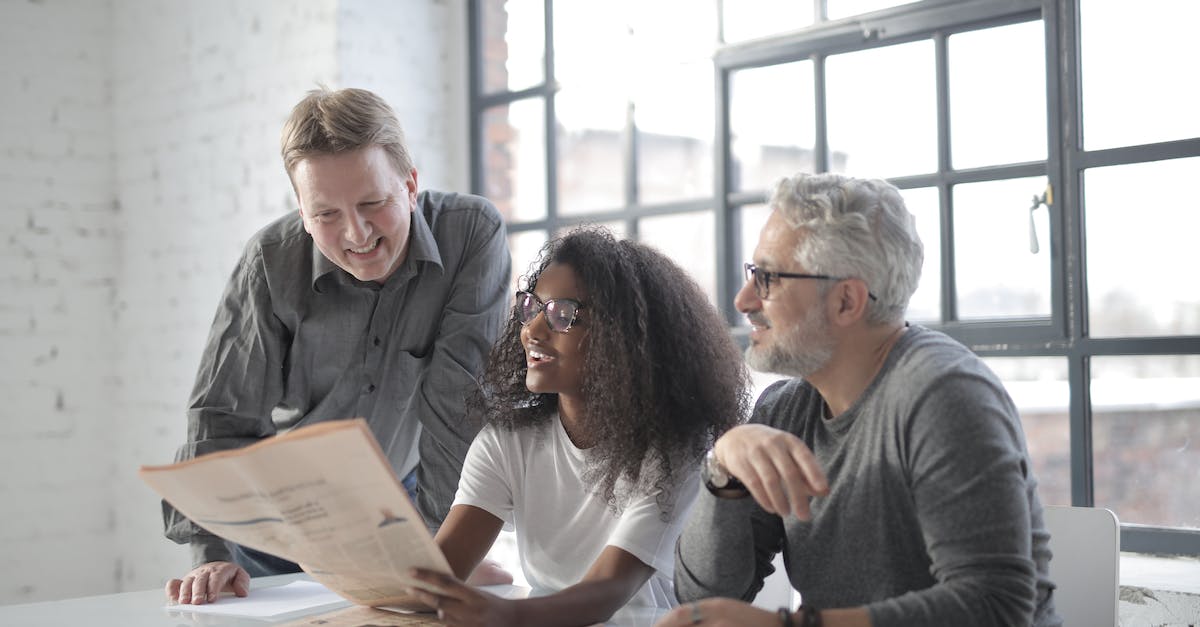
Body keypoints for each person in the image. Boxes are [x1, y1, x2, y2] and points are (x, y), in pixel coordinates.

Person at [657, 173, 1059, 627]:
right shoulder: (783, 411)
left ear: (846, 301)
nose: (743, 299)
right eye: (753, 275)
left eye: (767, 278)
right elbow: (699, 601)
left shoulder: (946, 395)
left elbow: (995, 607)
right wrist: (723, 469)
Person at [162, 87, 512, 604]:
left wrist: (446, 555)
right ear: (301, 209)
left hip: (403, 509)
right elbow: (222, 416)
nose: (357, 232)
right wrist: (212, 550)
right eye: (326, 214)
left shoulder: (471, 236)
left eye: (373, 203)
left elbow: (456, 407)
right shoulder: (270, 262)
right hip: (279, 523)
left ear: (410, 185)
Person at [405, 228, 751, 626]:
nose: (533, 331)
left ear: (624, 337)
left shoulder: (676, 449)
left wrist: (506, 613)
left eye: (563, 315)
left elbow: (607, 592)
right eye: (532, 308)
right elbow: (441, 572)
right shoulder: (505, 442)